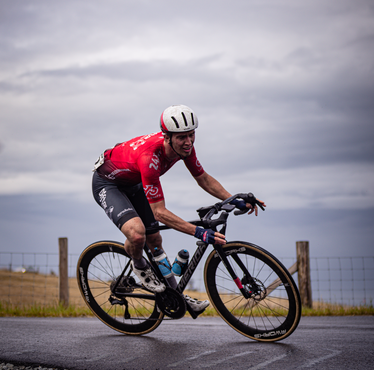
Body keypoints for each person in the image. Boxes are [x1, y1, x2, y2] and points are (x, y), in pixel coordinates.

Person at [92, 105, 264, 316]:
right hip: (108, 184)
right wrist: (198, 232)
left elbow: (203, 179)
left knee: (154, 241)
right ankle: (139, 265)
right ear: (167, 137)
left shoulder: (185, 149)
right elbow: (159, 212)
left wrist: (233, 199)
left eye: (192, 135)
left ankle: (177, 295)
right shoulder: (150, 159)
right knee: (138, 234)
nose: (189, 142)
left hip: (134, 182)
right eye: (182, 137)